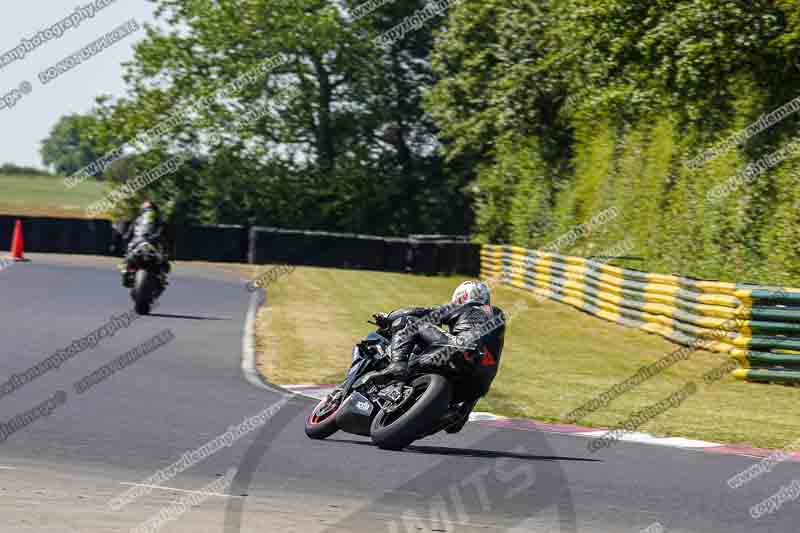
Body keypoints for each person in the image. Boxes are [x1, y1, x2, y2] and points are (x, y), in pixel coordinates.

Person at [370, 280, 506, 434]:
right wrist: (465, 411)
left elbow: (419, 313)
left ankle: (397, 364)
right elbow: (486, 366)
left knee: (409, 323)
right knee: (481, 367)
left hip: (458, 350)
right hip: (479, 384)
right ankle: (454, 414)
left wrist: (389, 317)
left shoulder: (466, 306)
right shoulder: (498, 317)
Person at [120, 201, 171, 288]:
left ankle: (126, 271)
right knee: (165, 265)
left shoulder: (138, 220)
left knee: (126, 259)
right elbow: (168, 238)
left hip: (138, 243)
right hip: (153, 245)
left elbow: (127, 236)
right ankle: (161, 279)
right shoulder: (160, 221)